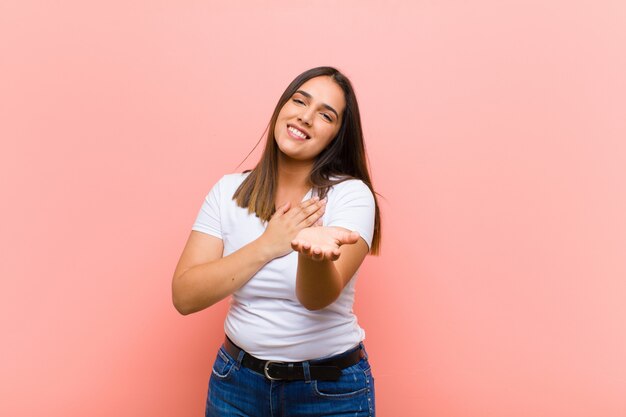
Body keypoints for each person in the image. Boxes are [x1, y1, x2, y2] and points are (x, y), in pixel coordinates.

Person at [172, 66, 382, 417]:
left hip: (329, 392)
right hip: (235, 386)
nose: (306, 117)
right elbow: (185, 295)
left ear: (337, 135)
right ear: (282, 107)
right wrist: (269, 244)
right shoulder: (227, 192)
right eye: (299, 101)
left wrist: (312, 253)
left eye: (325, 115)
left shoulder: (351, 197)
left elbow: (316, 299)